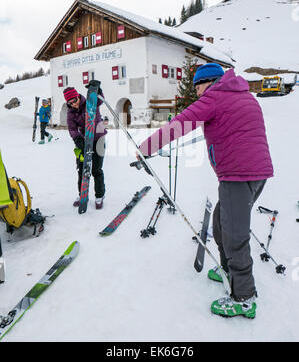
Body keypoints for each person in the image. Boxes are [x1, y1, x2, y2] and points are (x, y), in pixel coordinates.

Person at [138, 63, 273, 319]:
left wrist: (147, 148)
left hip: (237, 175)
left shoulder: (215, 96)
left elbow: (180, 123)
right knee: (222, 223)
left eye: (197, 87)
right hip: (257, 173)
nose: (197, 93)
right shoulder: (244, 95)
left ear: (206, 82)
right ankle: (229, 272)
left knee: (235, 236)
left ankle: (244, 298)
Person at [63, 86, 106, 210]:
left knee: (96, 170)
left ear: (78, 96)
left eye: (74, 101)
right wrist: (77, 139)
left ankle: (100, 195)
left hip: (98, 139)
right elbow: (72, 128)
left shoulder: (90, 102)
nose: (74, 104)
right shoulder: (71, 112)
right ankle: (83, 194)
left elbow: (100, 100)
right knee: (82, 170)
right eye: (70, 103)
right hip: (84, 142)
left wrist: (98, 91)